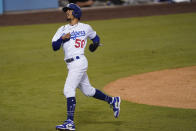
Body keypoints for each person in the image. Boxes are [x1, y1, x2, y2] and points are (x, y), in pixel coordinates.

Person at [52, 3, 121, 131]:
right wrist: (62, 38)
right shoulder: (61, 29)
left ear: (76, 12)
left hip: (79, 62)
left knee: (68, 89)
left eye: (69, 10)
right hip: (71, 64)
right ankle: (113, 100)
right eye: (66, 10)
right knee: (88, 91)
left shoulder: (86, 27)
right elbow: (54, 47)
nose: (67, 12)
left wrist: (95, 45)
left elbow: (96, 38)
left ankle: (69, 123)